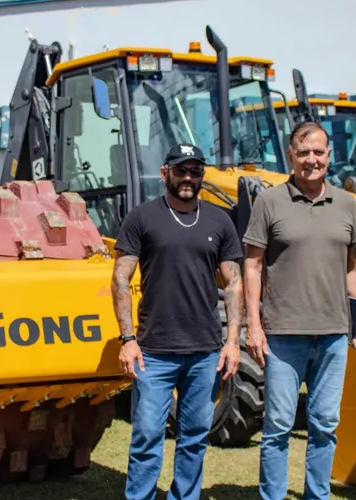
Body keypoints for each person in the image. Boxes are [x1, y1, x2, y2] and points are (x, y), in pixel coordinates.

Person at [242, 120, 356, 500]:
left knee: (325, 424)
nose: (311, 159)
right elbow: (252, 265)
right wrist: (254, 325)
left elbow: (354, 267)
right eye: (303, 152)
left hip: (333, 335)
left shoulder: (347, 203)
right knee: (278, 426)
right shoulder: (269, 201)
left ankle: (317, 495)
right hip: (282, 335)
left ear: (329, 155)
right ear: (291, 156)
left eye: (318, 152)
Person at [111, 143, 244, 500]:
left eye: (195, 171)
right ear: (165, 172)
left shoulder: (219, 220)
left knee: (195, 437)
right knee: (146, 437)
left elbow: (233, 283)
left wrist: (233, 342)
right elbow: (121, 277)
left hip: (204, 352)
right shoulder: (142, 218)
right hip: (153, 351)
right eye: (181, 170)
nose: (188, 177)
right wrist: (128, 338)